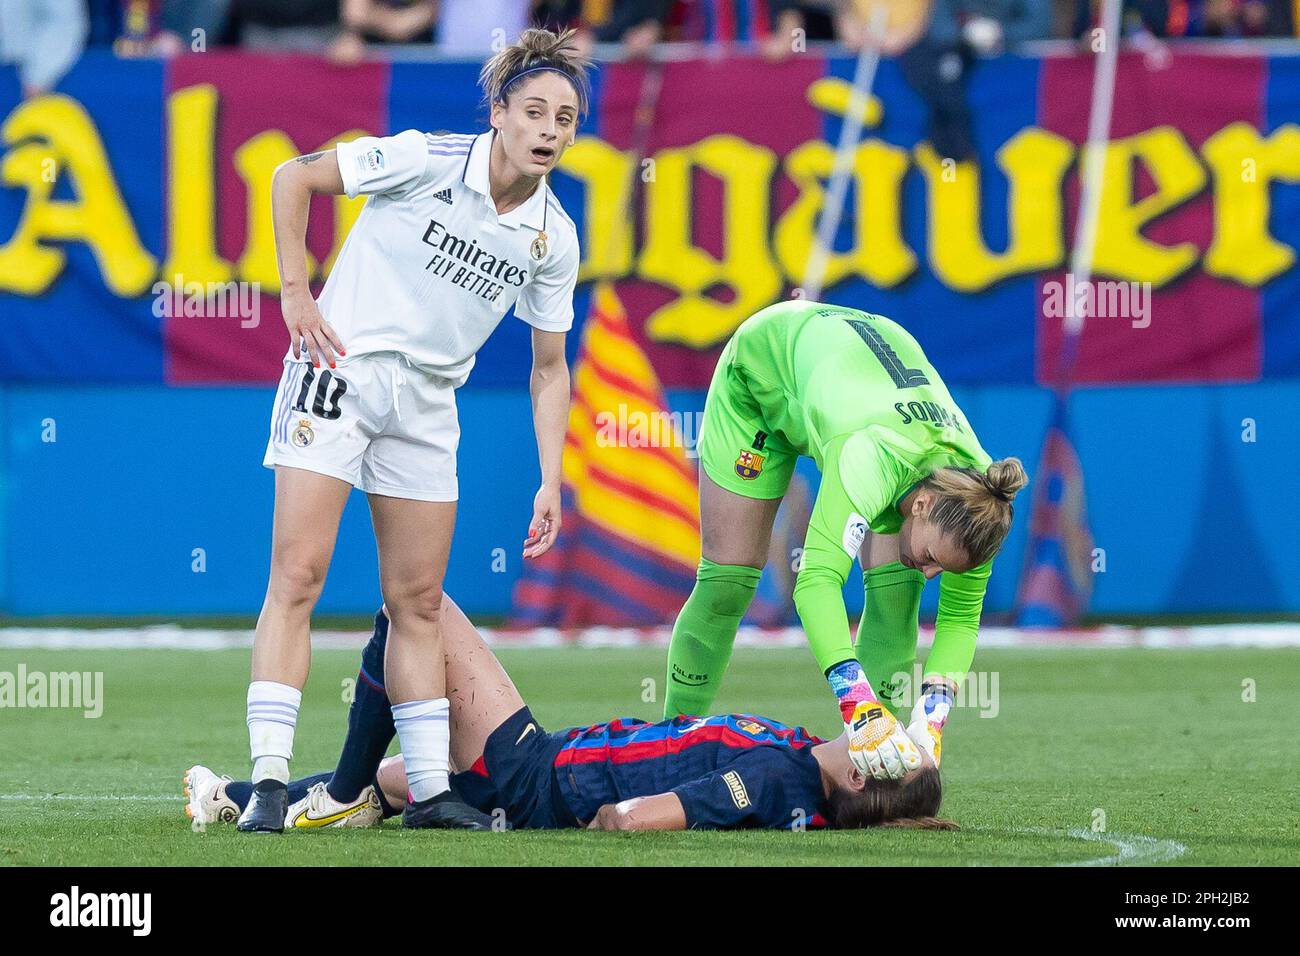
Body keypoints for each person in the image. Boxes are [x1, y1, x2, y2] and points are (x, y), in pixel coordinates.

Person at [239, 28, 587, 832]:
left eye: (564, 119)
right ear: (498, 113)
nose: (548, 130)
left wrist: (548, 476)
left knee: (418, 600)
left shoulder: (553, 237)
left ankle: (429, 791)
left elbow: (548, 369)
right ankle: (266, 783)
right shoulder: (424, 157)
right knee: (299, 573)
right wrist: (297, 297)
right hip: (340, 371)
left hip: (429, 405)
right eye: (533, 111)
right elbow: (293, 176)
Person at [186, 597, 952, 831]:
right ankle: (235, 800)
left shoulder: (780, 774)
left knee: (412, 609)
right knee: (407, 771)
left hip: (535, 773)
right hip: (537, 768)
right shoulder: (799, 751)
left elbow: (659, 813)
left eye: (893, 747)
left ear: (860, 771)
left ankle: (345, 793)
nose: (883, 724)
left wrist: (606, 820)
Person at [663, 300, 1027, 783]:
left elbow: (959, 620)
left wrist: (931, 719)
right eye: (933, 559)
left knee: (899, 595)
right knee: (728, 582)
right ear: (921, 505)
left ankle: (873, 774)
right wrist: (858, 706)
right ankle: (668, 749)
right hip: (762, 380)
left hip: (855, 377)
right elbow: (814, 584)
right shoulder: (868, 459)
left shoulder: (981, 501)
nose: (933, 572)